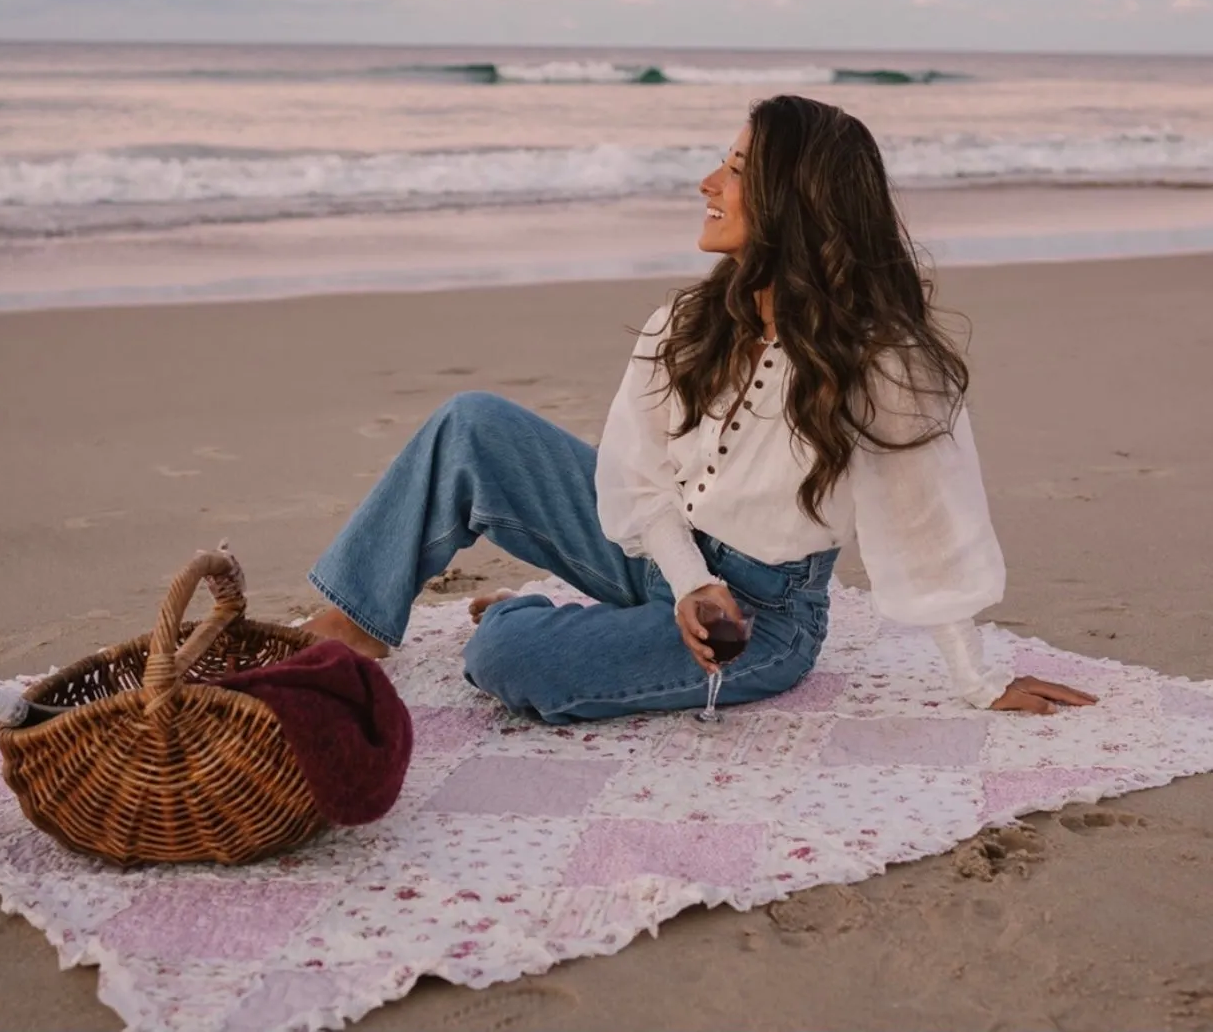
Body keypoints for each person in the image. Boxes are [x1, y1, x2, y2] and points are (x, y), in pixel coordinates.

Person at [303, 94, 1096, 720]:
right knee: (471, 422)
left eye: (737, 169)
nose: (709, 184)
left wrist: (977, 678)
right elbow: (638, 474)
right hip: (659, 550)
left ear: (796, 201)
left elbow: (932, 525)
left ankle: (520, 612)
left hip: (759, 620)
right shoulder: (685, 322)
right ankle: (353, 626)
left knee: (512, 662)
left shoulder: (884, 361)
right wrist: (686, 580)